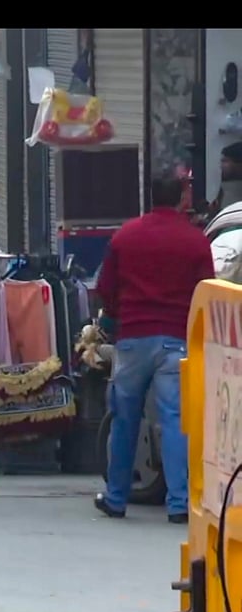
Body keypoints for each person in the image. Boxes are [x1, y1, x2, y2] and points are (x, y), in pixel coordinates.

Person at [94, 176, 216, 524]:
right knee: (175, 421)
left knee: (124, 418)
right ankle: (179, 504)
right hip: (176, 340)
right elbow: (205, 291)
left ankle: (116, 498)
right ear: (180, 200)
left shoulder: (125, 235)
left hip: (132, 339)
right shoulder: (195, 241)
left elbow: (105, 287)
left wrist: (118, 317)